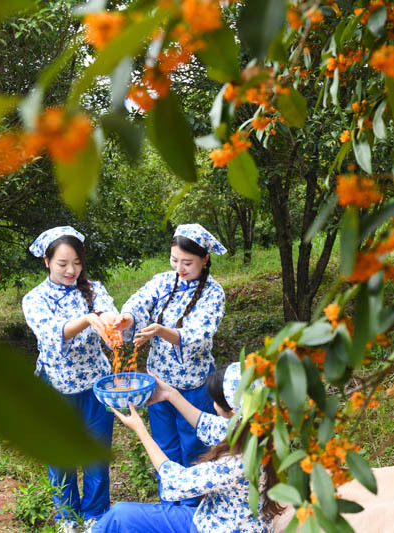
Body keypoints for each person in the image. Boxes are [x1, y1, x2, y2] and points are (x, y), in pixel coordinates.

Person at [90, 362, 281, 533]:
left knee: (120, 515)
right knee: (121, 515)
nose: (213, 405)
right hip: (218, 520)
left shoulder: (237, 462)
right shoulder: (258, 430)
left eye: (215, 400)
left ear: (232, 412)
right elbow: (207, 424)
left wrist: (141, 430)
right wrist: (170, 394)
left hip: (216, 527)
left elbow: (176, 481)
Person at [113, 223, 227, 505]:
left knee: (193, 446)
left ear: (205, 259)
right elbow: (140, 302)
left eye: (187, 262)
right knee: (165, 443)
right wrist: (128, 318)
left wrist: (160, 330)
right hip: (159, 383)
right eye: (175, 260)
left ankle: (191, 506)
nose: (180, 268)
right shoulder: (164, 281)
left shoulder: (214, 293)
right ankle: (169, 502)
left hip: (193, 386)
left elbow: (199, 336)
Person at [22, 226, 126, 533]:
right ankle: (67, 515)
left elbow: (109, 318)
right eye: (63, 264)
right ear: (46, 261)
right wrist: (86, 320)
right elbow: (51, 333)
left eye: (77, 263)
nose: (71, 270)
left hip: (95, 385)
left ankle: (96, 512)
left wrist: (111, 322)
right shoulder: (35, 299)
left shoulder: (94, 289)